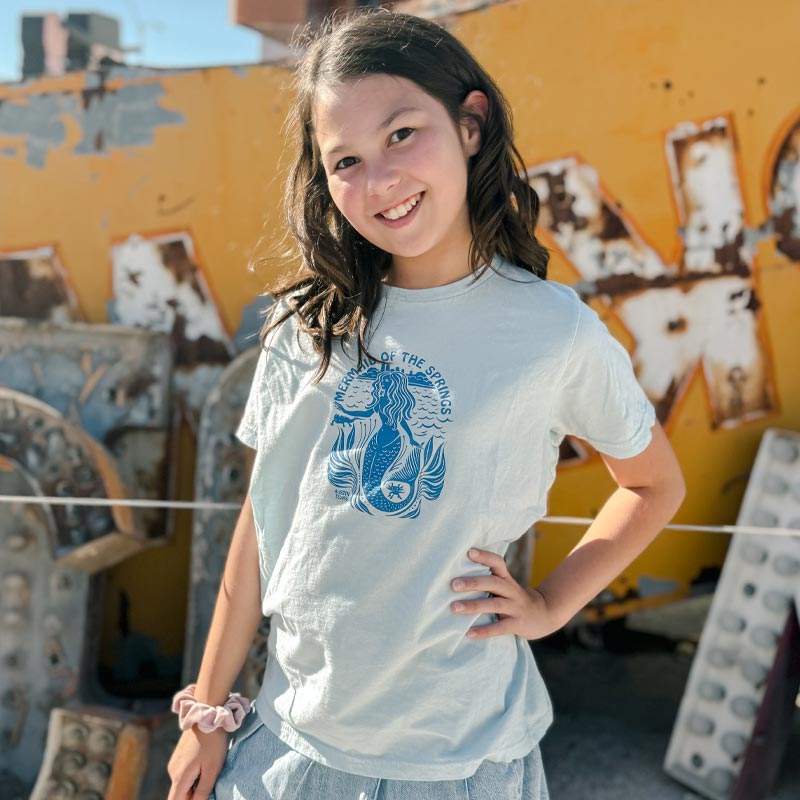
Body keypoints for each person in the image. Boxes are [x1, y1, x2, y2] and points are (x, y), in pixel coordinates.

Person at [167, 8, 686, 799]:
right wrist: (205, 713)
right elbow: (261, 524)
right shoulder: (306, 325)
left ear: (471, 123)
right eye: (345, 160)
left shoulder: (554, 332)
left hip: (463, 763)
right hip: (289, 751)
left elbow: (654, 485)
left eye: (402, 134)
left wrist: (550, 606)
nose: (379, 182)